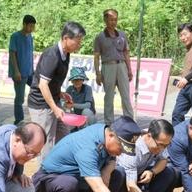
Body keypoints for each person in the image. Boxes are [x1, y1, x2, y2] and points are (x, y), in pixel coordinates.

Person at [33, 116, 141, 192]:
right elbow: (98, 187)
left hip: (77, 179)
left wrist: (107, 169)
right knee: (69, 183)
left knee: (118, 175)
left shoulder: (105, 133)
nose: (121, 152)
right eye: (121, 148)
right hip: (48, 182)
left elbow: (112, 158)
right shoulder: (88, 147)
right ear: (111, 136)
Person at [28, 21, 86, 161]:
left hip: (53, 102)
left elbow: (53, 80)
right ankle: (43, 178)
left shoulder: (66, 54)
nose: (79, 45)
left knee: (64, 138)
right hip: (41, 105)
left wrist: (60, 93)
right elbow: (42, 85)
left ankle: (59, 170)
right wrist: (54, 108)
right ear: (66, 38)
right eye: (77, 41)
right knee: (45, 144)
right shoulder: (52, 55)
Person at [107, 119, 175, 192]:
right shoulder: (133, 146)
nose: (162, 149)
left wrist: (152, 172)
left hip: (138, 174)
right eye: (160, 145)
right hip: (118, 180)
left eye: (166, 146)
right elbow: (131, 186)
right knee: (119, 172)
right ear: (148, 136)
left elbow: (163, 159)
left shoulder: (161, 140)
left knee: (168, 172)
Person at [93, 9, 134, 125]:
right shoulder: (99, 37)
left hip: (121, 66)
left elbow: (126, 53)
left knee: (125, 95)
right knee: (109, 96)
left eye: (115, 19)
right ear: (105, 20)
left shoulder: (122, 35)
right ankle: (109, 123)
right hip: (107, 67)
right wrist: (98, 73)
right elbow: (96, 56)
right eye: (111, 19)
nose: (113, 22)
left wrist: (129, 70)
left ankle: (129, 120)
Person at [9, 15, 36, 125]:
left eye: (33, 26)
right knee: (20, 98)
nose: (31, 28)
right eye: (30, 26)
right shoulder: (15, 36)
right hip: (19, 72)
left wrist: (33, 70)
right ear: (24, 24)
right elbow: (12, 54)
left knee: (39, 89)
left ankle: (38, 115)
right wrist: (16, 71)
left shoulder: (30, 37)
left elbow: (30, 54)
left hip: (30, 72)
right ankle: (19, 121)